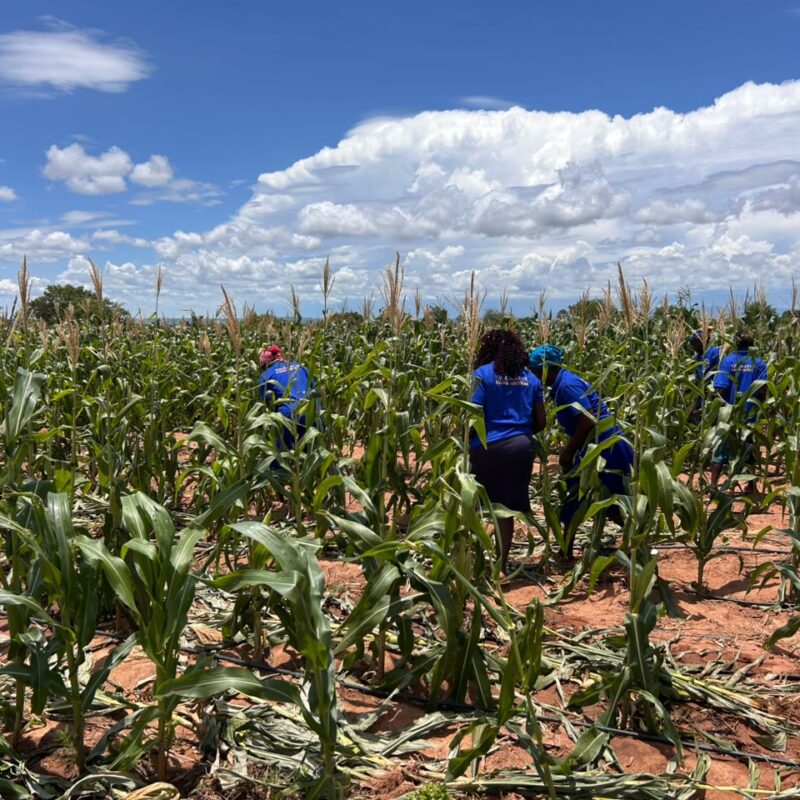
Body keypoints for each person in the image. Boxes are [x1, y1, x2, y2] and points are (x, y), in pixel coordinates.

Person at [529, 344, 634, 559]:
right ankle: (634, 542)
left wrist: (568, 452)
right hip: (600, 444)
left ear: (546, 368)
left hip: (605, 446)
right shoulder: (561, 383)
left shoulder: (567, 385)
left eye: (535, 370)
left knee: (577, 496)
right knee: (604, 499)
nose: (534, 375)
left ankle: (568, 550)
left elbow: (587, 421)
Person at [470, 329, 546, 573]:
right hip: (521, 448)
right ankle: (501, 567)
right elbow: (541, 421)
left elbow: (473, 413)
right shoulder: (532, 379)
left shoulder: (483, 374)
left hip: (486, 445)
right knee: (506, 510)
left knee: (473, 502)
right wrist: (520, 434)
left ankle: (470, 560)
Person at [710, 330, 768, 493]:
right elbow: (762, 391)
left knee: (720, 450)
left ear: (735, 343)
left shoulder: (728, 361)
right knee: (748, 449)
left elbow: (721, 388)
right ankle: (751, 485)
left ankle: (714, 486)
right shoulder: (759, 364)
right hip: (749, 415)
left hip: (729, 414)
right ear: (752, 344)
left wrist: (720, 412)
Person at [258, 344, 310, 449]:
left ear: (266, 364)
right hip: (311, 410)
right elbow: (314, 387)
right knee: (309, 451)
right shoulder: (300, 366)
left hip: (288, 413)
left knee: (280, 454)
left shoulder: (267, 374)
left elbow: (266, 401)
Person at [689, 329, 721, 421]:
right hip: (701, 394)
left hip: (714, 394)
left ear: (702, 341)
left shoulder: (715, 353)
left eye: (694, 343)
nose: (693, 347)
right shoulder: (697, 358)